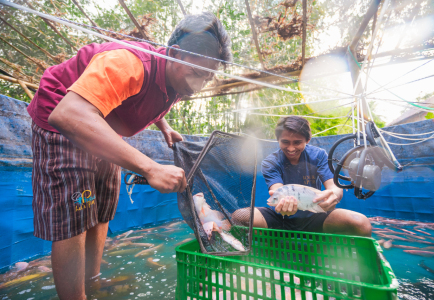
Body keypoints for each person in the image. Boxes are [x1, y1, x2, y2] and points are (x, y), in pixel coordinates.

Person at [27, 12, 231, 300]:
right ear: (173, 53)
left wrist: (165, 125)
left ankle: (93, 281)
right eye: (197, 74)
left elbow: (143, 95)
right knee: (77, 212)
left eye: (207, 77)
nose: (199, 84)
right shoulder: (128, 62)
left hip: (105, 126)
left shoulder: (176, 81)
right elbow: (70, 114)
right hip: (66, 121)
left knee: (101, 208)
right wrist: (150, 168)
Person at [253, 116, 372, 236]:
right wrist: (282, 203)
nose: (291, 148)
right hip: (279, 217)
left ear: (308, 140)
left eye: (297, 142)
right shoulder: (270, 162)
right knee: (239, 217)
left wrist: (333, 196)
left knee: (362, 223)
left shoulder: (319, 155)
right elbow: (277, 191)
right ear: (278, 140)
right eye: (285, 142)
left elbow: (334, 186)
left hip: (315, 215)